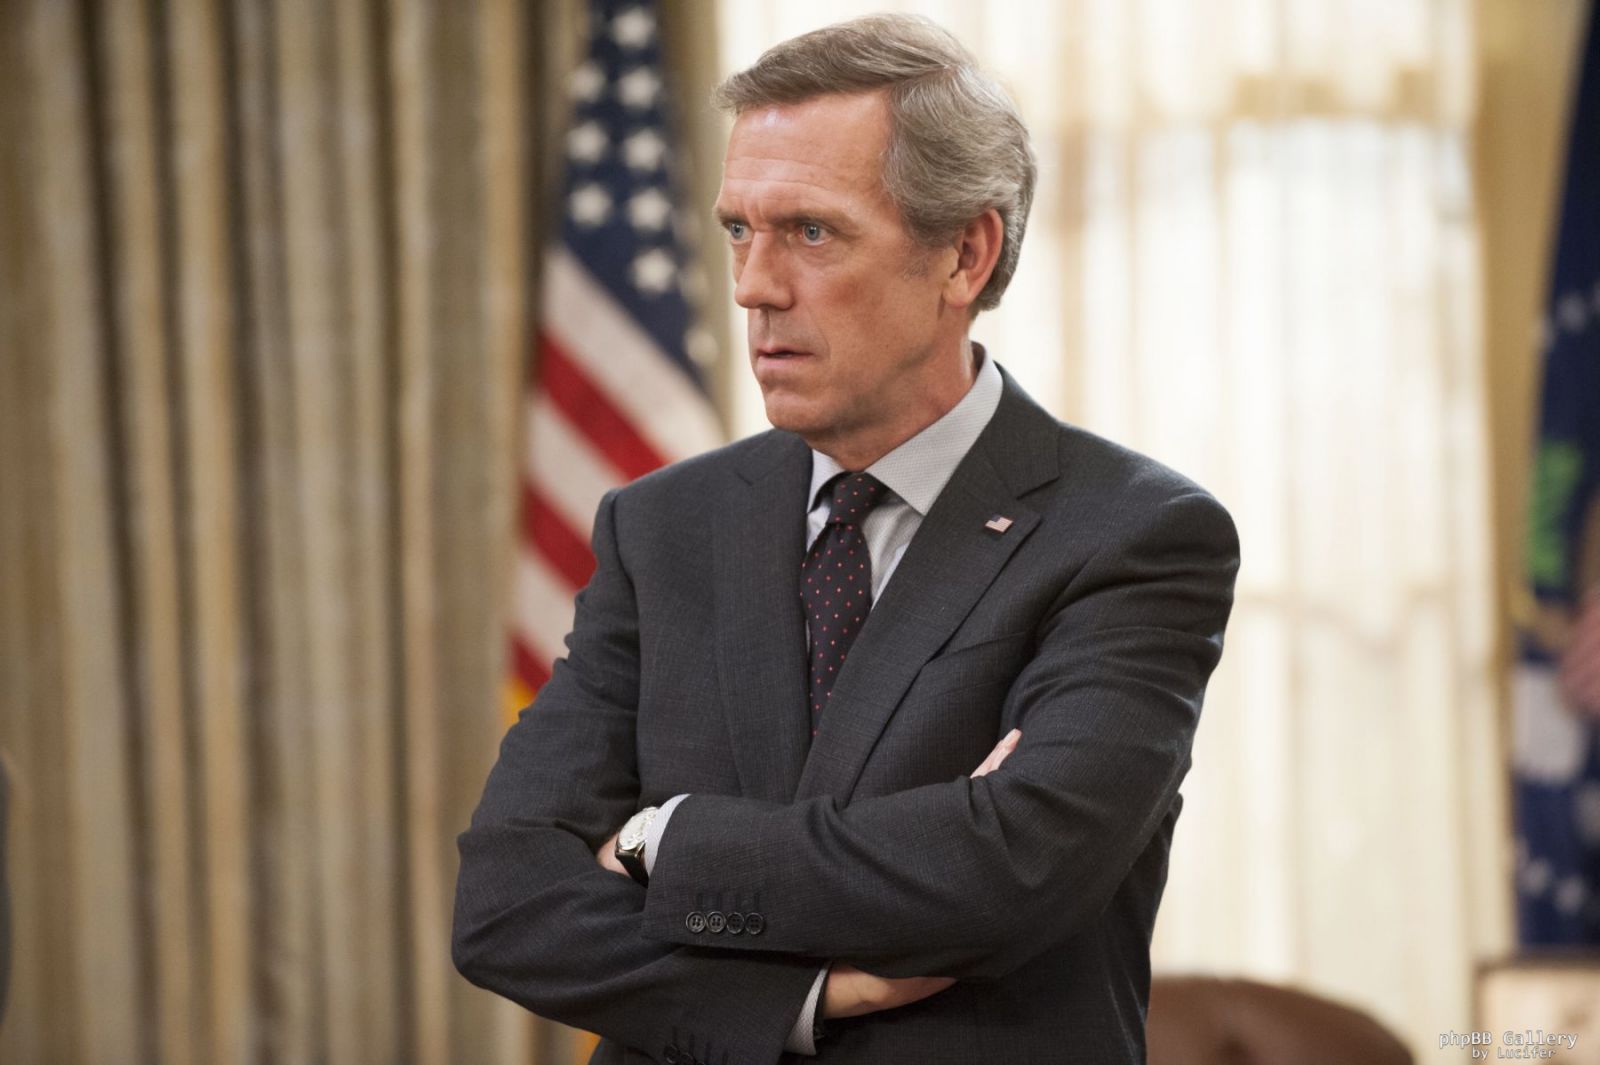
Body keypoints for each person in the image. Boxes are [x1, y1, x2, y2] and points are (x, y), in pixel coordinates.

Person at [453, 14, 1240, 1064]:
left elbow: (1009, 871)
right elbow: (505, 901)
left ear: (963, 254)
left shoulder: (1136, 534)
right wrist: (807, 995)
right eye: (740, 229)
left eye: (812, 233)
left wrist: (659, 838)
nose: (753, 284)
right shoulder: (662, 525)